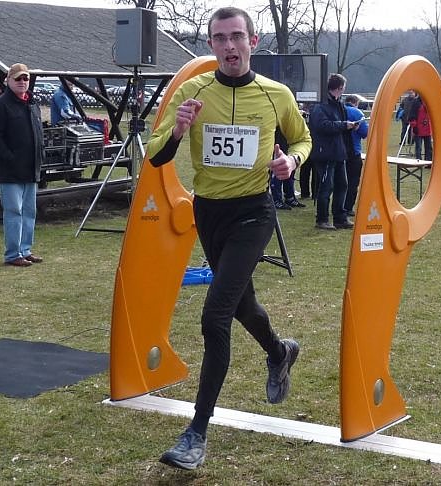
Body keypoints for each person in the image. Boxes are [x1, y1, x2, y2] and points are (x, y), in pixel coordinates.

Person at [146, 7, 311, 470]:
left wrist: (291, 162)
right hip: (210, 213)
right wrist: (178, 129)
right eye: (220, 38)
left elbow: (303, 140)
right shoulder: (193, 91)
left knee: (215, 315)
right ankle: (280, 351)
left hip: (253, 213)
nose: (229, 46)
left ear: (253, 42)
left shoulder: (276, 94)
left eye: (237, 36)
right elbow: (156, 155)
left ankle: (196, 434)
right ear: (211, 46)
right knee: (242, 304)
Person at [0, 63, 45, 267]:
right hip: (11, 170)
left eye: (25, 78)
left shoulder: (32, 104)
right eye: (18, 78)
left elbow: (38, 134)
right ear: (8, 81)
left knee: (29, 212)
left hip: (31, 168)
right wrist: (9, 157)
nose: (22, 82)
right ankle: (13, 254)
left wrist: (40, 157)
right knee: (14, 211)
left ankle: (25, 250)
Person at [309, 73, 358, 230]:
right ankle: (322, 219)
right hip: (324, 153)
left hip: (338, 151)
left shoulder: (339, 105)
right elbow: (322, 125)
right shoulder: (320, 105)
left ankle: (340, 218)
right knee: (326, 187)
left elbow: (338, 124)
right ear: (340, 88)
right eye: (343, 88)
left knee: (342, 185)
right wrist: (344, 125)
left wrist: (350, 126)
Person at [343, 94, 368, 216]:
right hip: (353, 151)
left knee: (339, 180)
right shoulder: (357, 113)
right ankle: (348, 207)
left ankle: (338, 206)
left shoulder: (338, 110)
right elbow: (364, 133)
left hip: (338, 150)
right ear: (355, 103)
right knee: (353, 181)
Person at [409, 94, 432, 161]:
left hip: (428, 128)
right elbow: (411, 116)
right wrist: (414, 126)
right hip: (418, 129)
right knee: (418, 147)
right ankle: (418, 161)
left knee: (428, 147)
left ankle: (428, 161)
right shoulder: (416, 102)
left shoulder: (429, 101)